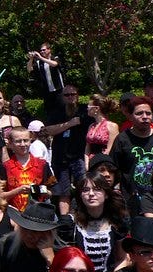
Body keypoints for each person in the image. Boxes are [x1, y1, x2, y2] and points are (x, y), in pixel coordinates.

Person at [58, 172, 129, 272]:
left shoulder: (117, 222)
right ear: (80, 195)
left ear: (106, 194)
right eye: (85, 190)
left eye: (97, 189)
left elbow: (122, 259)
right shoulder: (70, 224)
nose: (91, 194)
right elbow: (62, 261)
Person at [111, 97, 153, 198]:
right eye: (139, 113)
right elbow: (112, 168)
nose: (145, 117)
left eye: (148, 113)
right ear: (130, 117)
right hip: (133, 198)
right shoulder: (122, 139)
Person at [44, 85, 92, 214]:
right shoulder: (56, 111)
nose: (70, 97)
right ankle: (65, 219)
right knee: (62, 191)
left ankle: (86, 214)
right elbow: (48, 130)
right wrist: (70, 124)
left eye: (73, 94)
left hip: (79, 155)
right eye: (67, 95)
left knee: (84, 187)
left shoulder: (84, 110)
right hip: (61, 157)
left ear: (78, 95)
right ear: (62, 97)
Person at [0, 201, 62, 272]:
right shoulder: (6, 244)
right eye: (25, 229)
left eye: (35, 231)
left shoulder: (60, 253)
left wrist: (51, 260)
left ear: (48, 233)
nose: (29, 235)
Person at [1, 126, 54, 211]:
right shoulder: (5, 167)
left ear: (30, 141)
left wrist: (35, 189)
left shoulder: (43, 164)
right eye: (18, 141)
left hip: (37, 214)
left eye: (25, 140)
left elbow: (51, 192)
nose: (23, 144)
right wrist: (18, 191)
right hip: (13, 214)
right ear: (10, 143)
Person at [28, 42, 65, 112]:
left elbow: (54, 64)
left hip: (59, 91)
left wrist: (40, 57)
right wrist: (31, 59)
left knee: (62, 111)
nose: (42, 52)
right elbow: (29, 69)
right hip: (47, 93)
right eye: (41, 50)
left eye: (43, 50)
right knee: (50, 113)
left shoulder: (55, 58)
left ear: (49, 50)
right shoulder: (39, 63)